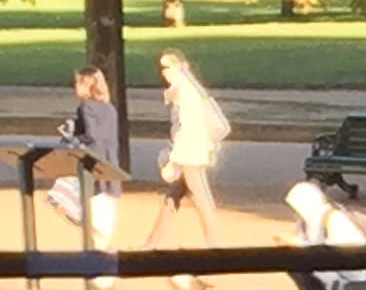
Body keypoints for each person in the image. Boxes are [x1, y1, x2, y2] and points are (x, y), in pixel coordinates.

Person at [137, 52, 231, 278]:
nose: (164, 72)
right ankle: (151, 244)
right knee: (173, 199)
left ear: (180, 67)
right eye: (162, 68)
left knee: (200, 200)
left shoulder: (185, 93)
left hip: (189, 155)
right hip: (190, 153)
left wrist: (172, 161)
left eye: (168, 67)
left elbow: (186, 132)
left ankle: (216, 248)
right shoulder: (184, 91)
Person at [49, 67, 121, 250]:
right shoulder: (110, 108)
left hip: (92, 169)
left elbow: (92, 136)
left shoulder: (86, 107)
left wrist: (71, 137)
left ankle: (101, 267)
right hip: (110, 168)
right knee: (103, 222)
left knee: (64, 202)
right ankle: (104, 264)